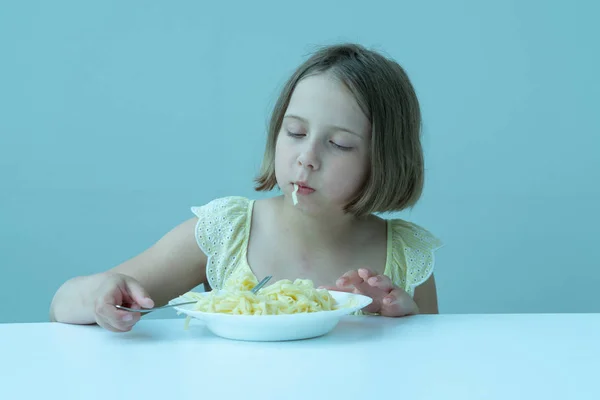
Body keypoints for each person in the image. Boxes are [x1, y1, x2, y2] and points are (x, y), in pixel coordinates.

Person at [49, 43, 443, 332]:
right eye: (296, 132)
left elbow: (433, 359)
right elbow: (62, 306)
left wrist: (404, 320)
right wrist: (98, 294)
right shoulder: (228, 232)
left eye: (338, 144)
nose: (307, 157)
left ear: (384, 158)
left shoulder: (405, 256)